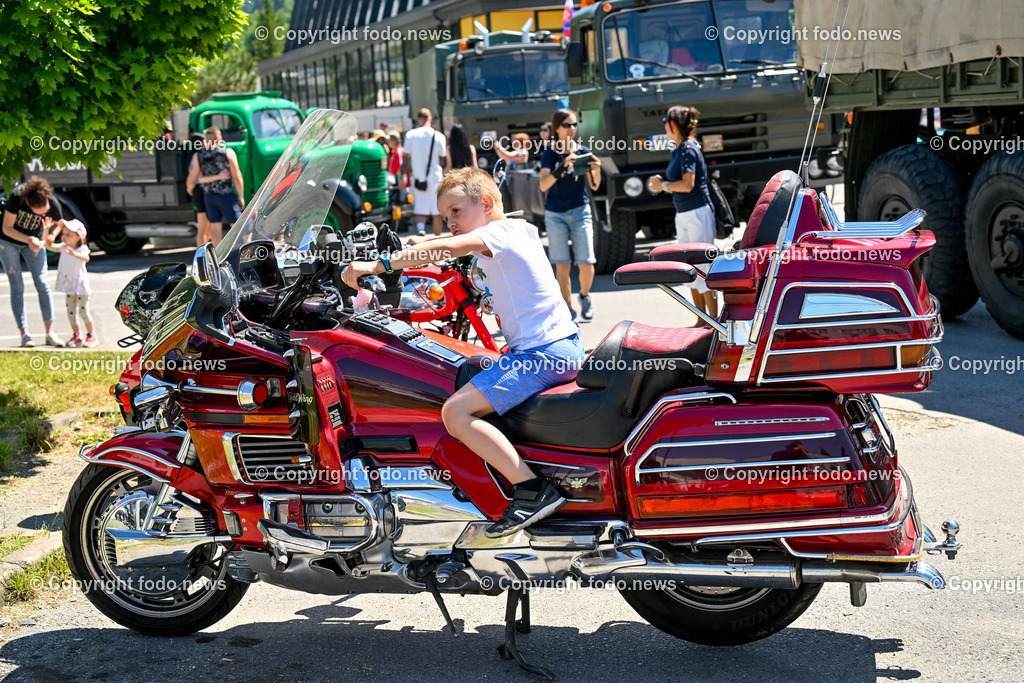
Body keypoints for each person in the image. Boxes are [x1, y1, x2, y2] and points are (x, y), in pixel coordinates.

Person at [341, 168, 583, 536]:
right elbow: (449, 240)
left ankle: (533, 490)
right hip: (558, 345)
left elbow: (452, 247)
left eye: (455, 211)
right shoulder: (517, 228)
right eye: (445, 216)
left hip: (542, 354)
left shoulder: (497, 234)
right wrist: (417, 242)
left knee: (455, 412)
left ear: (485, 203)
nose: (450, 222)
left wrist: (380, 265)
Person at [649, 105, 718, 319]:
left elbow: (688, 185)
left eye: (665, 122)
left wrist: (663, 186)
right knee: (690, 268)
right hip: (685, 214)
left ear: (672, 124)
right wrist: (664, 183)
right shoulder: (680, 148)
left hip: (697, 214)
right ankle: (701, 320)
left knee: (704, 269)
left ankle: (714, 323)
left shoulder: (688, 148)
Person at [539, 109, 601, 322]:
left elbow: (595, 185)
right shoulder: (550, 153)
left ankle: (585, 296)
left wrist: (596, 169)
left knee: (586, 262)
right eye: (567, 125)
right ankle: (567, 309)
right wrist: (562, 167)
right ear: (557, 128)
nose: (572, 129)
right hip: (555, 214)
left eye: (574, 124)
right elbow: (543, 184)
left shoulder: (583, 151)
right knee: (562, 264)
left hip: (580, 210)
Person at [0, 176, 65, 347]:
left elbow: (59, 222)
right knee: (17, 286)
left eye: (45, 212)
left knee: (43, 283)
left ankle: (50, 333)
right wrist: (28, 239)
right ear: (28, 203)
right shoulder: (16, 198)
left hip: (35, 243)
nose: (43, 215)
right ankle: (25, 335)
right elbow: (7, 228)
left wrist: (52, 235)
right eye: (39, 213)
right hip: (9, 243)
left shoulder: (51, 200)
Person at [189, 127, 244, 247]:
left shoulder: (198, 155)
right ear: (219, 138)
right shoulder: (227, 152)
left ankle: (217, 255)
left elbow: (197, 178)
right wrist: (241, 196)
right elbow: (237, 176)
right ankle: (243, 252)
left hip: (208, 197)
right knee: (240, 227)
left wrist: (190, 189)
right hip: (225, 195)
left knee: (215, 227)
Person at [46, 219, 96, 347]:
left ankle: (91, 335)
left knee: (84, 312)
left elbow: (86, 258)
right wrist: (46, 230)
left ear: (78, 237)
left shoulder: (82, 249)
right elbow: (48, 245)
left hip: (81, 286)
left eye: (68, 234)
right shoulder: (63, 247)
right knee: (71, 313)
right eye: (63, 233)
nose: (64, 236)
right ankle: (77, 334)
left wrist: (74, 254)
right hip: (69, 287)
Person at [403, 108, 447, 236]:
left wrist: (401, 176)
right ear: (430, 119)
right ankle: (437, 237)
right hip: (436, 178)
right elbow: (442, 160)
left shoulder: (411, 135)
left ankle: (421, 229)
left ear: (418, 119)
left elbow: (406, 158)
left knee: (420, 209)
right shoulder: (439, 136)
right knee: (436, 212)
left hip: (419, 180)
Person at [186, 133, 210, 247]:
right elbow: (193, 179)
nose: (206, 143)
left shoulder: (197, 156)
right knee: (203, 227)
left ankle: (205, 251)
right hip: (199, 192)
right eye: (203, 141)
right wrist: (190, 189)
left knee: (207, 227)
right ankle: (200, 252)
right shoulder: (195, 157)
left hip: (201, 192)